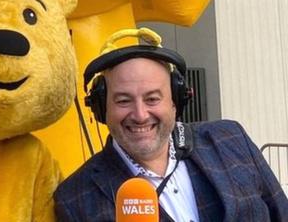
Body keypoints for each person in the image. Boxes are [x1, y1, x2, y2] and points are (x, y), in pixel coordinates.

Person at [54, 30, 288, 222]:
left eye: (152, 99)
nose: (140, 114)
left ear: (176, 100)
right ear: (101, 108)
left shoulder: (231, 139)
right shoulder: (74, 199)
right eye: (123, 100)